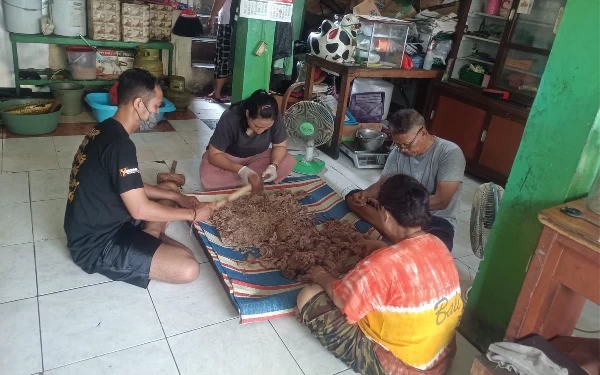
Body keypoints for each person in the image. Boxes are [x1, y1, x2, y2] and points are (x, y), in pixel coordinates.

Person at [64, 68, 217, 288]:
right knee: (188, 268)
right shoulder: (120, 146)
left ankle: (149, 234)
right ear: (138, 104)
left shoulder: (105, 129)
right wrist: (192, 214)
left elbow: (128, 184)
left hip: (110, 220)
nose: (155, 113)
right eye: (155, 106)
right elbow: (139, 209)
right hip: (96, 245)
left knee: (170, 188)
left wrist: (176, 197)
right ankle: (149, 235)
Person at [297, 174, 463, 375]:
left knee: (308, 295)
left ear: (384, 213)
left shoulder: (381, 265)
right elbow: (410, 266)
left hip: (406, 367)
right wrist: (384, 248)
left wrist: (319, 274)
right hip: (440, 357)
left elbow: (340, 299)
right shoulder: (438, 244)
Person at [346, 109, 465, 251]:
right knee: (353, 198)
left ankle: (400, 240)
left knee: (438, 245)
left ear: (423, 133)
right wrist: (365, 195)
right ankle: (407, 244)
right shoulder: (399, 152)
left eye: (407, 145)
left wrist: (397, 209)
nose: (402, 150)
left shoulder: (449, 153)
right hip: (398, 215)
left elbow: (442, 201)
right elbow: (381, 185)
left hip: (434, 220)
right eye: (398, 145)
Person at [200, 89, 296, 190]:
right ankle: (252, 179)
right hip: (228, 158)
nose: (260, 131)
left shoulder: (274, 117)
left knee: (289, 160)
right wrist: (241, 170)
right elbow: (214, 154)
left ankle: (248, 180)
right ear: (247, 114)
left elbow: (280, 146)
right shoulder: (230, 117)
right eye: (257, 126)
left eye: (266, 128)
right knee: (209, 176)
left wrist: (273, 166)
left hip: (257, 157)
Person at [208, 0, 233, 102]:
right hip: (243, 21)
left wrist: (212, 17)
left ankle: (217, 93)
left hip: (227, 21)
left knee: (222, 57)